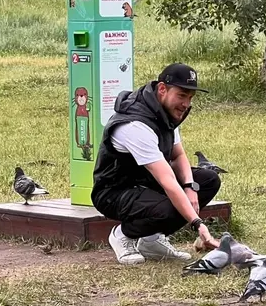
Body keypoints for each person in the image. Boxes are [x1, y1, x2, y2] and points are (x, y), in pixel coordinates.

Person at [91, 63, 222, 265]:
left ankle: (151, 241)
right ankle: (122, 235)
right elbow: (167, 180)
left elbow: (178, 156)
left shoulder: (165, 112)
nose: (186, 103)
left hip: (145, 181)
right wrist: (197, 224)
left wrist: (190, 187)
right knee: (170, 208)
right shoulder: (135, 125)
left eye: (190, 98)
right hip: (114, 192)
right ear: (162, 89)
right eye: (182, 95)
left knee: (208, 180)